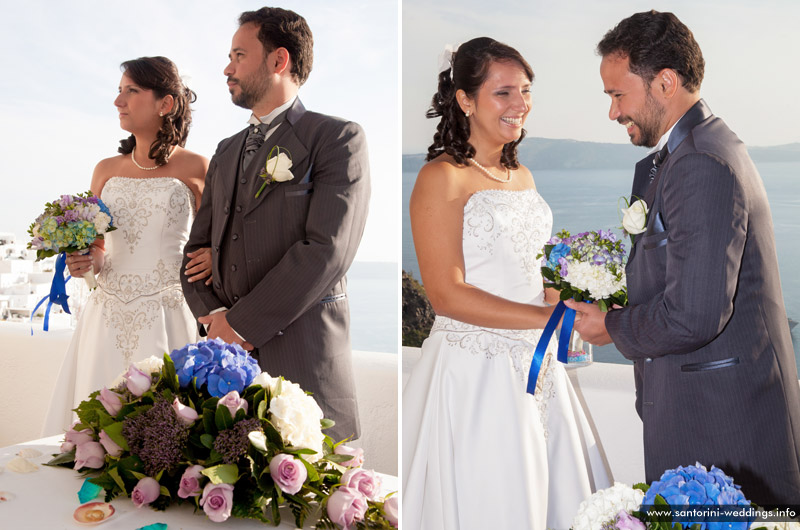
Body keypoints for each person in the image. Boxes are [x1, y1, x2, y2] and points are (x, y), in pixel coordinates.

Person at [568, 10, 800, 506]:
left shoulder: (701, 160)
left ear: (665, 82)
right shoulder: (683, 153)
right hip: (699, 412)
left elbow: (694, 314)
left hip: (724, 426)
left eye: (617, 94)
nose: (612, 112)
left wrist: (612, 326)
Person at [402, 37, 610, 530]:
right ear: (465, 99)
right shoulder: (441, 178)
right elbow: (446, 295)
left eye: (526, 91)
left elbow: (532, 270)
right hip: (475, 372)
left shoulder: (523, 176)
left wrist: (563, 301)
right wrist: (546, 317)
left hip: (538, 365)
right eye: (503, 93)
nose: (521, 105)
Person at [180, 7, 370, 442]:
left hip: (303, 365)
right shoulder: (225, 151)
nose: (227, 69)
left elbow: (328, 250)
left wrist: (241, 324)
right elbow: (196, 250)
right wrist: (213, 319)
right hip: (223, 375)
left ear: (278, 60)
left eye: (239, 56)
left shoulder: (337, 139)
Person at [43, 56, 210, 434]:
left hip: (167, 314)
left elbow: (220, 241)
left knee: (164, 432)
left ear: (165, 103)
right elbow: (100, 252)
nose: (119, 101)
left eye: (131, 91)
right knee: (96, 430)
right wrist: (85, 260)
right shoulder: (105, 169)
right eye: (119, 91)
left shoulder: (200, 168)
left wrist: (213, 257)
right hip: (106, 314)